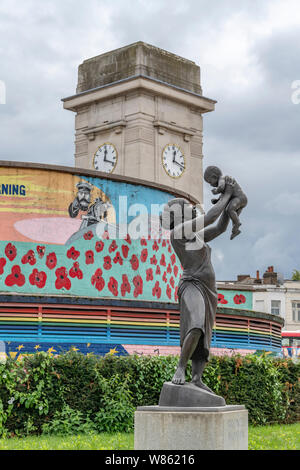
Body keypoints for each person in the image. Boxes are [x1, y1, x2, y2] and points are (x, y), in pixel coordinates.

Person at [160, 177, 235, 392]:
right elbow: (211, 217)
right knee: (196, 323)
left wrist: (229, 205)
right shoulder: (179, 233)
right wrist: (227, 194)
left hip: (208, 289)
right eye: (188, 209)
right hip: (191, 284)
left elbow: (220, 227)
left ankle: (197, 378)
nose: (193, 210)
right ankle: (180, 368)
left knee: (204, 335)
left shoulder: (195, 236)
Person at [204, 166, 247, 240]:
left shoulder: (223, 178)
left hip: (239, 198)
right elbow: (223, 194)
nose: (211, 185)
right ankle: (235, 230)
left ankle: (237, 224)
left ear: (214, 176)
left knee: (229, 210)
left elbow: (221, 187)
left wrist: (216, 191)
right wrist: (217, 200)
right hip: (238, 200)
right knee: (233, 216)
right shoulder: (226, 182)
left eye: (210, 182)